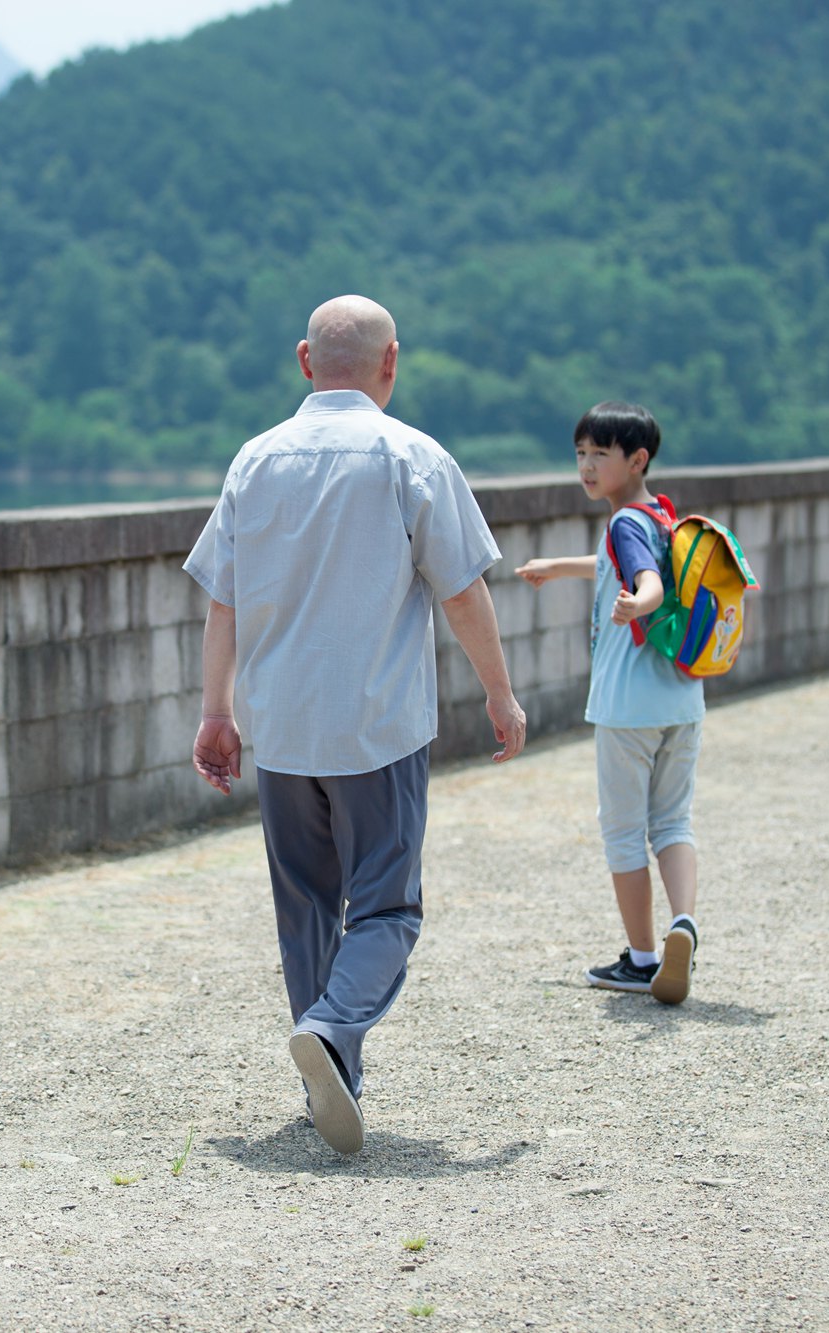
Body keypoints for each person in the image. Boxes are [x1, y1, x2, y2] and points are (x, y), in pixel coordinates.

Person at [183, 294, 527, 1156]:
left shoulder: (254, 460)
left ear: (305, 360)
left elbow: (223, 598)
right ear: (391, 362)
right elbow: (460, 588)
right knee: (387, 906)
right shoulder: (411, 454)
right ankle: (334, 1029)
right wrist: (500, 693)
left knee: (305, 906)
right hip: (376, 724)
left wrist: (216, 711)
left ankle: (329, 1073)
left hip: (284, 726)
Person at [514, 401, 703, 1005]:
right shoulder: (659, 514)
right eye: (581, 454)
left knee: (623, 832)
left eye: (601, 454)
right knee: (673, 822)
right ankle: (683, 925)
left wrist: (637, 605)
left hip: (627, 707)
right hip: (682, 697)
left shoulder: (624, 520)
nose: (587, 467)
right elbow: (622, 565)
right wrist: (561, 567)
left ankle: (643, 959)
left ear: (637, 459)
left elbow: (642, 579)